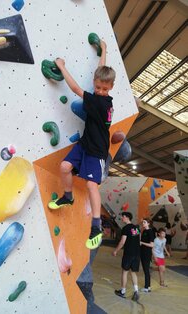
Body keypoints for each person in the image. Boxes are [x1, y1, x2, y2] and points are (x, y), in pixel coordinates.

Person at [48, 40, 116, 250]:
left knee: (90, 185)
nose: (101, 91)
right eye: (98, 87)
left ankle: (96, 226)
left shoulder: (100, 102)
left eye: (105, 89)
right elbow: (100, 71)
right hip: (85, 144)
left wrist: (61, 66)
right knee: (64, 167)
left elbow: (76, 88)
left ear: (111, 88)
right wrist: (103, 50)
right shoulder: (99, 89)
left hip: (96, 151)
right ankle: (67, 197)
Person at [112, 212, 140, 302]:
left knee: (125, 272)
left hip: (128, 253)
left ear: (127, 218)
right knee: (133, 272)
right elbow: (138, 240)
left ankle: (123, 291)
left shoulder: (125, 228)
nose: (122, 218)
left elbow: (122, 242)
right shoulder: (136, 227)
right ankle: (136, 291)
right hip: (136, 253)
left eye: (123, 217)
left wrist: (116, 250)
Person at [140, 218, 154, 293]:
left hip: (146, 253)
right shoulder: (144, 231)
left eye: (144, 222)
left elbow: (152, 245)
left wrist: (142, 243)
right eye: (143, 222)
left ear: (148, 223)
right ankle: (148, 286)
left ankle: (147, 287)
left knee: (146, 270)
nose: (143, 223)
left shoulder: (150, 232)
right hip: (142, 252)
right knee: (145, 270)